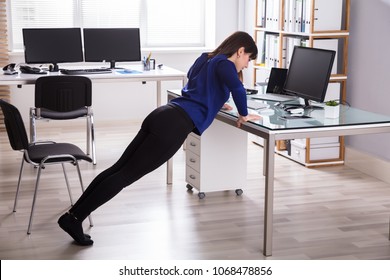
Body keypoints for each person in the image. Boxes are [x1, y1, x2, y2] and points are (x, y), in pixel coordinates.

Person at [58, 31, 261, 245]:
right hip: (175, 126)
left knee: (117, 169)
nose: (247, 64)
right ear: (240, 51)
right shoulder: (226, 64)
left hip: (162, 115)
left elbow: (195, 82)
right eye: (248, 58)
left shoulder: (206, 58)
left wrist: (216, 101)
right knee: (123, 176)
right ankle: (74, 219)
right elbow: (238, 88)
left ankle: (73, 216)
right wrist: (243, 114)